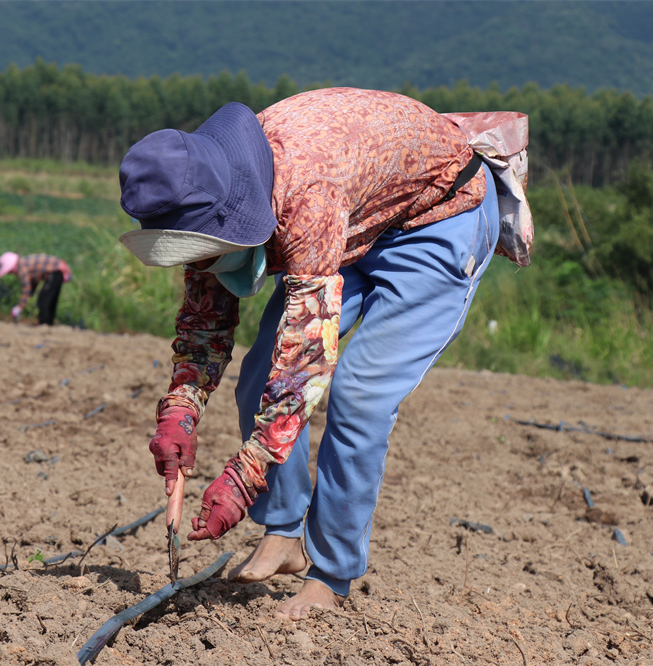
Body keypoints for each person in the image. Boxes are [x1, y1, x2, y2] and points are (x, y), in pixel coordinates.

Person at [118, 87, 529, 620]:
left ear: (227, 217)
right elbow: (206, 319)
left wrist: (245, 474)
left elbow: (304, 366)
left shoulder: (301, 191)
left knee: (359, 395)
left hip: (438, 216)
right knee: (259, 369)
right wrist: (180, 409)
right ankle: (285, 532)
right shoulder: (205, 185)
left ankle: (331, 574)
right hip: (362, 216)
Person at [0, 252, 72, 325]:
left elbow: (27, 289)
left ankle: (44, 323)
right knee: (50, 299)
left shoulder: (21, 268)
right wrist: (31, 293)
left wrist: (19, 307)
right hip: (56, 272)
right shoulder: (24, 262)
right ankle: (48, 323)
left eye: (9, 271)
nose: (11, 273)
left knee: (43, 299)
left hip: (56, 271)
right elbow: (35, 280)